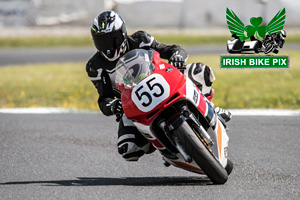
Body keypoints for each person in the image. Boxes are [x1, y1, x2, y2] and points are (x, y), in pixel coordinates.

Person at [86, 11, 231, 161]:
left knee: (199, 71)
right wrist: (112, 105)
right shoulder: (94, 66)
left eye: (112, 39)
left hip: (161, 81)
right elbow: (104, 98)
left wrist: (177, 56)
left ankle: (210, 106)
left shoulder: (141, 39)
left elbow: (172, 49)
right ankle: (162, 141)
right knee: (128, 149)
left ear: (122, 34)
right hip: (133, 103)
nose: (108, 46)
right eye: (101, 41)